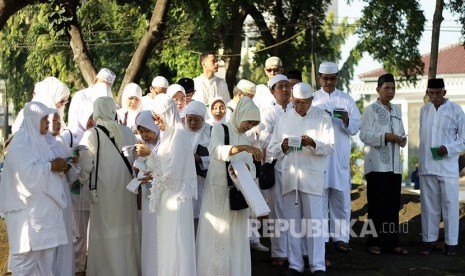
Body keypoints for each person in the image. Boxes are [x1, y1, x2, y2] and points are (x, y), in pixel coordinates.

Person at [268, 82, 334, 276]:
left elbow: (330, 146)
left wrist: (313, 142)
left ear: (311, 100)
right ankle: (295, 264)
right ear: (291, 100)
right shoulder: (284, 119)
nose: (300, 106)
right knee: (293, 224)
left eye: (304, 103)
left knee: (315, 223)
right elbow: (272, 149)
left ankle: (317, 265)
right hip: (290, 176)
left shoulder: (322, 118)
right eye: (296, 102)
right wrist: (283, 146)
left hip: (312, 177)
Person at [0, 101, 69, 275]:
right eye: (44, 118)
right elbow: (26, 176)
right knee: (25, 264)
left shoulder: (42, 141)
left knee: (47, 265)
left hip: (45, 216)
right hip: (28, 216)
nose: (48, 122)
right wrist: (51, 166)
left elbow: (49, 166)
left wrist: (60, 167)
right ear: (33, 119)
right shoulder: (21, 144)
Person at [196, 97, 263, 276]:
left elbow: (253, 168)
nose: (250, 126)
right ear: (240, 115)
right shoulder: (220, 128)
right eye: (249, 121)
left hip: (239, 192)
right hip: (218, 188)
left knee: (236, 234)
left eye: (254, 123)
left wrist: (245, 169)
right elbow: (216, 151)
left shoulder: (247, 139)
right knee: (217, 231)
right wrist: (243, 148)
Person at [78, 97, 140, 276]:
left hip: (104, 194)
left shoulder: (91, 135)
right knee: (126, 232)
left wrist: (77, 180)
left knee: (105, 233)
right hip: (127, 191)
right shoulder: (127, 132)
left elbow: (85, 165)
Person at [141, 93, 197, 275]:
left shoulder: (179, 135)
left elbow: (172, 172)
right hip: (168, 200)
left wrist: (148, 155)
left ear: (167, 114)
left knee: (177, 245)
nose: (156, 123)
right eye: (154, 119)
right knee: (167, 246)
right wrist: (152, 174)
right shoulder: (170, 135)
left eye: (158, 118)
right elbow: (164, 167)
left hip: (176, 201)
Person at [312, 62, 361, 253]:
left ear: (337, 78)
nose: (329, 82)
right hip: (319, 156)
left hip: (339, 156)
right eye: (325, 78)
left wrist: (347, 120)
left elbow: (356, 127)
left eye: (332, 78)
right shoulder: (313, 100)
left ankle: (340, 238)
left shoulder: (346, 100)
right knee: (320, 197)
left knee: (341, 198)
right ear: (319, 78)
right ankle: (322, 238)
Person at [359, 73, 408, 256]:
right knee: (376, 205)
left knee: (392, 206)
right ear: (378, 89)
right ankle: (374, 242)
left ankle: (391, 243)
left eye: (393, 88)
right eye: (386, 88)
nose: (390, 91)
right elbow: (364, 135)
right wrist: (385, 137)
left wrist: (401, 139)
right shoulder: (370, 110)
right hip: (377, 166)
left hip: (394, 166)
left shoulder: (396, 110)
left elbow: (402, 133)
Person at [418, 78, 465, 256]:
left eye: (438, 93)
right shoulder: (424, 110)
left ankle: (451, 243)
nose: (435, 96)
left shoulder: (456, 110)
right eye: (431, 93)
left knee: (450, 205)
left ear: (444, 92)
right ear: (428, 92)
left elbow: (464, 140)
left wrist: (449, 149)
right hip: (427, 165)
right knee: (429, 206)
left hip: (447, 167)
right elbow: (423, 139)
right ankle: (429, 241)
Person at [257, 74, 293, 267]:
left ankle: (296, 250)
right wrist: (281, 141)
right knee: (277, 209)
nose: (285, 90)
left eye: (287, 86)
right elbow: (263, 139)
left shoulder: (298, 110)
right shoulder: (268, 114)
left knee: (295, 208)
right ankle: (279, 251)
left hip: (297, 165)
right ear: (273, 91)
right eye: (280, 87)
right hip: (276, 164)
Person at [133, 110, 161, 276]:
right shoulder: (144, 146)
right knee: (148, 233)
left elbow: (167, 166)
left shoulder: (163, 144)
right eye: (141, 131)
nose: (144, 135)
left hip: (159, 195)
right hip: (146, 194)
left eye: (147, 131)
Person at [183, 101, 211, 232]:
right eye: (190, 120)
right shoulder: (180, 132)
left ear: (203, 119)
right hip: (185, 181)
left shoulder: (211, 132)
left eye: (196, 120)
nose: (193, 124)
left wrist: (201, 159)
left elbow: (218, 157)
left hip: (203, 182)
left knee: (203, 216)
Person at [68, 68, 116, 134]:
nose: (105, 89)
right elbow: (74, 124)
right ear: (95, 80)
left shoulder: (108, 99)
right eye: (104, 84)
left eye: (109, 87)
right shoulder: (81, 96)